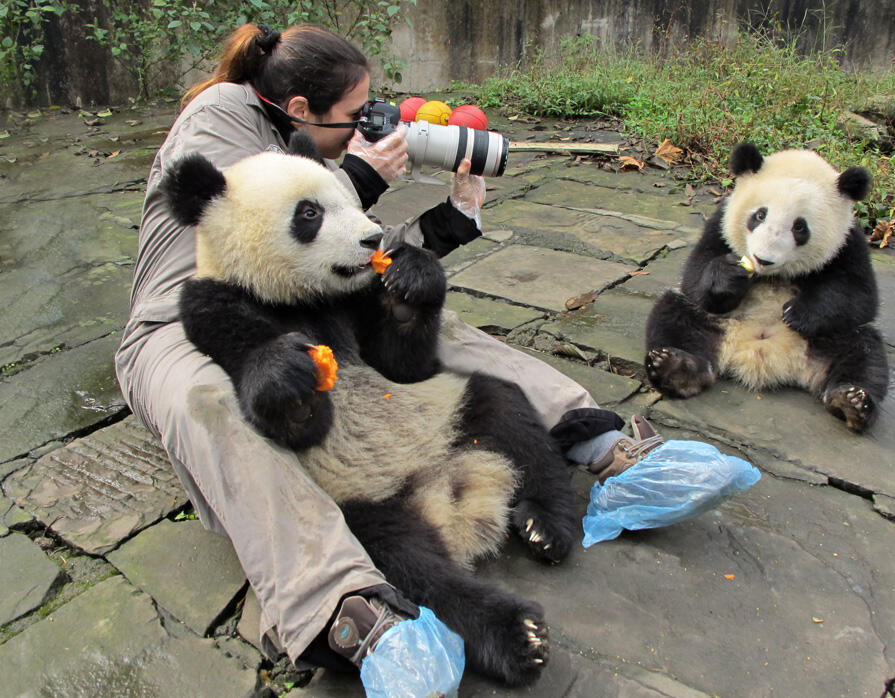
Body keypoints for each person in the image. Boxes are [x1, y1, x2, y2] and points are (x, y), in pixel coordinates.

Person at [114, 22, 659, 679]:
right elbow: (269, 227)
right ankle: (337, 603)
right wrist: (361, 176)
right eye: (353, 117)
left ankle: (591, 439)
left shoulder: (305, 146)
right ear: (297, 112)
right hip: (185, 321)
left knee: (441, 327)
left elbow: (355, 246)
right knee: (216, 403)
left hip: (310, 292)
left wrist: (448, 224)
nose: (366, 126)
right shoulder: (220, 117)